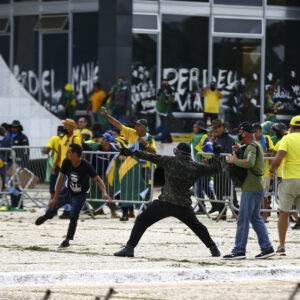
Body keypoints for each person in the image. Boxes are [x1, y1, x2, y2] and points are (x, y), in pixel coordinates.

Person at [113, 142, 222, 258]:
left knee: (141, 220)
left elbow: (149, 156)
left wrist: (131, 152)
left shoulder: (170, 161)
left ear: (179, 153)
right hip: (183, 205)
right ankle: (213, 248)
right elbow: (216, 169)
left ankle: (129, 248)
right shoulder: (196, 167)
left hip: (165, 202)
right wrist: (216, 154)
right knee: (198, 227)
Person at [35, 144, 112, 249]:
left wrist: (104, 193)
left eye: (68, 152)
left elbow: (98, 180)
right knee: (54, 205)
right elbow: (60, 179)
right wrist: (55, 197)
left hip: (81, 194)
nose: (66, 153)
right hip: (68, 190)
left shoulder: (86, 165)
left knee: (74, 216)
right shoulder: (66, 162)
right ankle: (46, 216)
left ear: (75, 154)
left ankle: (67, 240)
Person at [223, 122, 275, 260]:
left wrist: (233, 160)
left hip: (251, 187)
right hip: (255, 186)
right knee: (255, 218)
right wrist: (237, 152)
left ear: (244, 133)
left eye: (239, 132)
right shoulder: (253, 145)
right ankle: (267, 247)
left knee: (243, 218)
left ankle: (239, 250)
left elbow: (249, 162)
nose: (238, 135)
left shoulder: (252, 146)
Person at [102, 107, 156, 220]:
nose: (136, 127)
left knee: (145, 189)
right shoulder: (131, 133)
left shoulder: (150, 138)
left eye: (138, 125)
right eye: (135, 125)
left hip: (144, 167)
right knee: (126, 188)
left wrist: (145, 144)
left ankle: (146, 213)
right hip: (130, 166)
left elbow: (154, 151)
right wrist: (107, 116)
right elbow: (118, 124)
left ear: (144, 128)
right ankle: (126, 213)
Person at [270, 115, 300, 255]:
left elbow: (279, 157)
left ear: (292, 127)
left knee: (284, 213)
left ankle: (281, 246)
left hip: (289, 180)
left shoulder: (287, 138)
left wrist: (272, 170)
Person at [51, 119, 82, 219]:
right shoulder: (63, 137)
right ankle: (66, 209)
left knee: (66, 189)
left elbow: (80, 153)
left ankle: (67, 210)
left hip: (72, 166)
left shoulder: (75, 138)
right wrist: (55, 164)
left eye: (66, 126)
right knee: (61, 189)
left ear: (72, 128)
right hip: (63, 167)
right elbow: (59, 152)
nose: (64, 127)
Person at [210, 119, 236, 220]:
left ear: (222, 127)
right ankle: (222, 212)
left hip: (227, 169)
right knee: (218, 191)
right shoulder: (216, 139)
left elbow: (227, 153)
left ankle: (235, 211)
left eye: (217, 127)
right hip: (218, 169)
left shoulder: (229, 139)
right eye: (214, 128)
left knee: (230, 191)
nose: (215, 129)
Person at [191, 121, 215, 214]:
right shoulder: (205, 137)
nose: (194, 129)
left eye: (195, 127)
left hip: (201, 166)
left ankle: (202, 207)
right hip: (205, 166)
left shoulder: (198, 137)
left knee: (199, 187)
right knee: (205, 186)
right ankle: (215, 204)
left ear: (200, 128)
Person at [253, 123, 274, 223]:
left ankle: (265, 214)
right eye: (253, 130)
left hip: (265, 171)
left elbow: (273, 153)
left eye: (255, 130)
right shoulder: (251, 140)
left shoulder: (266, 139)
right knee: (253, 193)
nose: (254, 132)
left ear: (260, 130)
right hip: (253, 171)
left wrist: (272, 170)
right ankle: (255, 214)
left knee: (264, 195)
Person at [43, 126, 66, 200]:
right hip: (67, 165)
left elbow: (46, 151)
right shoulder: (67, 139)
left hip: (57, 165)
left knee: (53, 186)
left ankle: (53, 204)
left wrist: (43, 150)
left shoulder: (54, 138)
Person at [156, 79, 175, 143]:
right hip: (161, 110)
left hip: (168, 110)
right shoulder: (160, 90)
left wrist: (167, 96)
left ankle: (163, 138)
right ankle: (168, 139)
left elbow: (172, 100)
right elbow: (157, 99)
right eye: (163, 84)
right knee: (164, 125)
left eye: (165, 84)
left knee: (167, 125)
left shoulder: (170, 90)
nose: (164, 86)